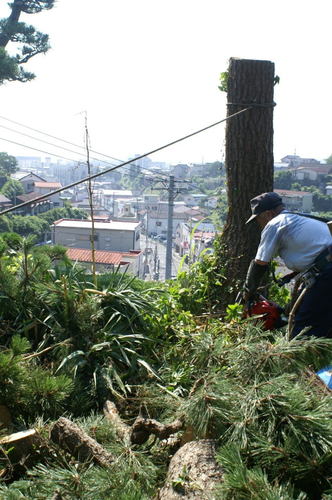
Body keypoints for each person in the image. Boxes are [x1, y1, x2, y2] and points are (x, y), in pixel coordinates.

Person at [244, 192, 332, 338]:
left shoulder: (274, 223)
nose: (260, 224)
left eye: (259, 219)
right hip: (324, 273)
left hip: (326, 274)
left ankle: (306, 358)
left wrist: (248, 292)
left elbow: (260, 263)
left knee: (302, 332)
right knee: (324, 327)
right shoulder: (302, 218)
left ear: (268, 214)